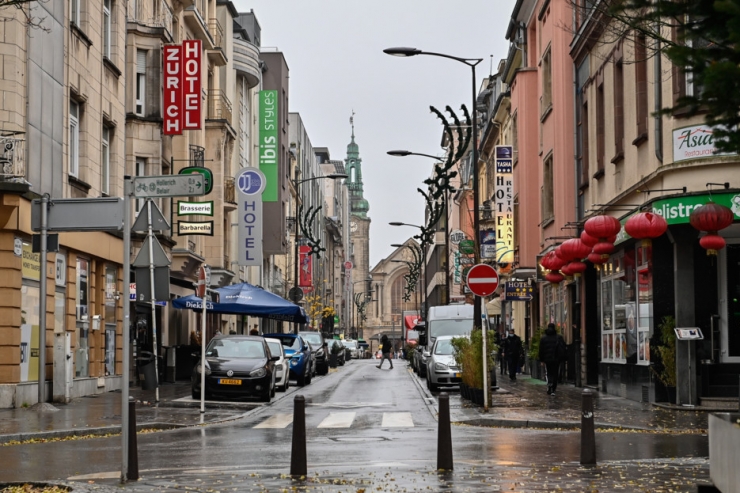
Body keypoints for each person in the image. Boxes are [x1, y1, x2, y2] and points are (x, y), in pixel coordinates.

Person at [539, 323, 567, 395]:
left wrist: (541, 360)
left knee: (549, 372)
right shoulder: (559, 337)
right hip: (556, 359)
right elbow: (563, 347)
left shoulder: (543, 338)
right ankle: (553, 388)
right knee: (555, 373)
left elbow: (541, 350)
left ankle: (550, 385)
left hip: (547, 359)